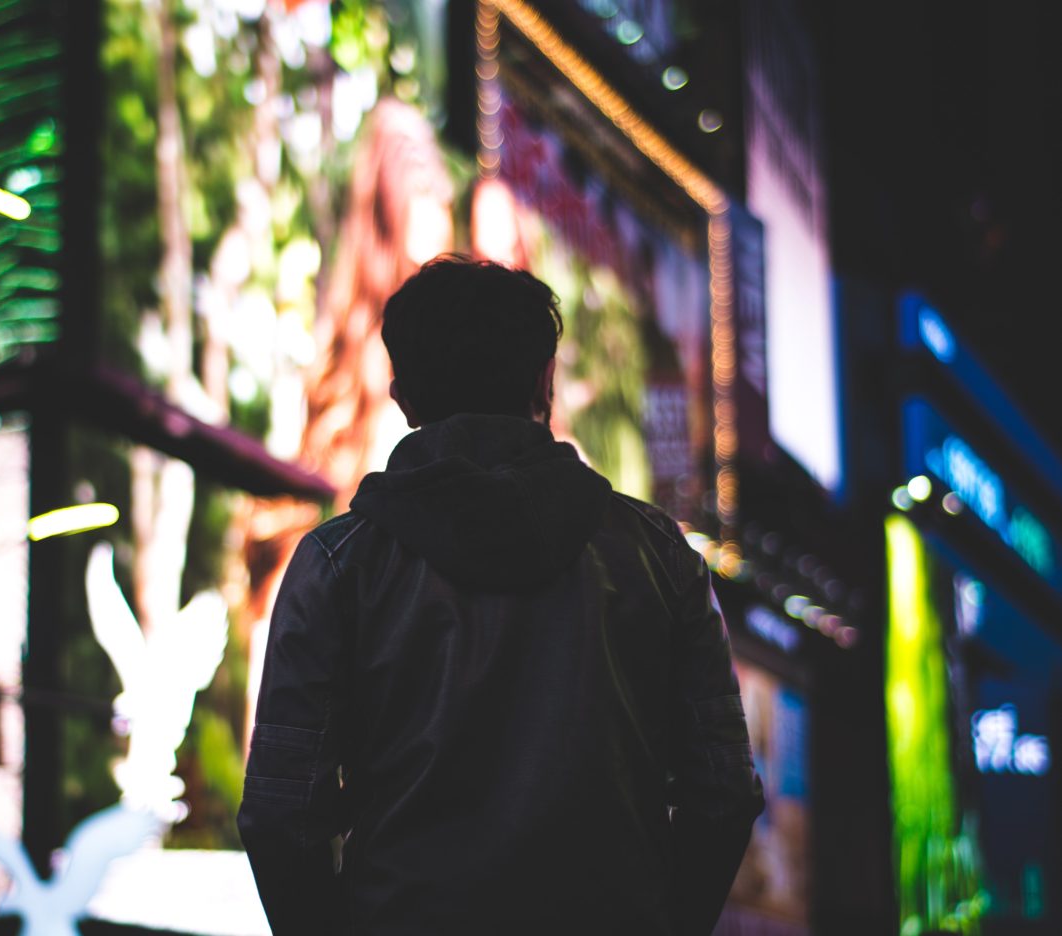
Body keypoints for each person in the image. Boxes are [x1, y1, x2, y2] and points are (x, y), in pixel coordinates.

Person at [238, 256, 765, 935]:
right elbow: (721, 795)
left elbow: (282, 815)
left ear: (403, 395)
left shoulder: (339, 567)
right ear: (544, 383)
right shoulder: (658, 558)